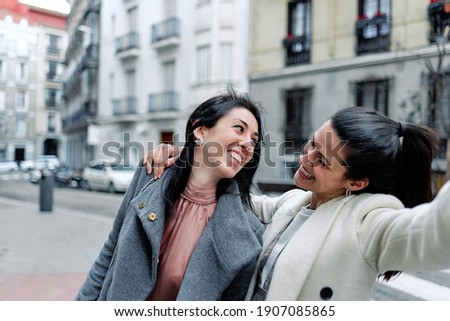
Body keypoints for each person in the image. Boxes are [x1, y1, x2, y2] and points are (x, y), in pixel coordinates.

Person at [144, 106, 450, 301]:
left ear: (356, 183)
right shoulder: (293, 203)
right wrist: (196, 153)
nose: (305, 159)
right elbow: (233, 203)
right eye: (312, 143)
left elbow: (433, 237)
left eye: (322, 160)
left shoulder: (368, 223)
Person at [75, 87, 265, 301]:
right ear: (200, 131)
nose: (249, 144)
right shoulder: (150, 176)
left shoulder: (247, 232)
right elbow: (109, 253)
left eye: (255, 140)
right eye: (239, 129)